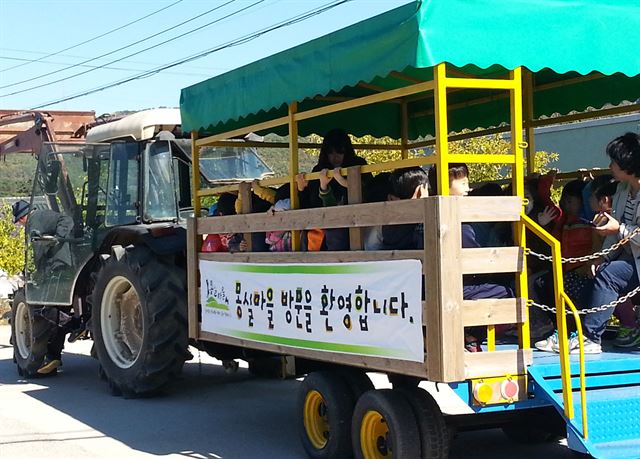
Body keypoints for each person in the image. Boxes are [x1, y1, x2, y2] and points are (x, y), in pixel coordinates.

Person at [429, 164, 515, 352]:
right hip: (457, 286)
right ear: (446, 185)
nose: (468, 189)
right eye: (464, 183)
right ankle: (473, 335)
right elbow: (476, 262)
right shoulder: (462, 224)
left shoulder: (425, 215)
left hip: (432, 285)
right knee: (505, 292)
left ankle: (467, 334)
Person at [571, 133, 640, 353]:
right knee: (596, 272)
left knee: (609, 274)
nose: (610, 166)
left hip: (634, 262)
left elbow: (617, 228)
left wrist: (618, 229)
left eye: (614, 161)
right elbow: (613, 232)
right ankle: (577, 331)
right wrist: (601, 256)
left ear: (628, 163)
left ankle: (590, 338)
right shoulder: (621, 190)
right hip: (629, 259)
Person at [12, 199, 78, 375]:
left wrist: (58, 238)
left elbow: (67, 220)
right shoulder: (38, 220)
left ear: (24, 217)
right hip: (56, 266)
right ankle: (54, 353)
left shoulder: (37, 218)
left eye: (19, 220)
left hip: (58, 265)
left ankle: (68, 331)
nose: (19, 223)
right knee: (55, 309)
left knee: (51, 311)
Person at [296, 128, 369, 250]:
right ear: (325, 153)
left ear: (347, 151)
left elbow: (369, 192)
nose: (335, 157)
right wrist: (301, 189)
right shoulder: (318, 170)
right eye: (331, 152)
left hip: (357, 222)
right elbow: (309, 204)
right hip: (323, 228)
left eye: (340, 152)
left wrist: (344, 182)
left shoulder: (358, 165)